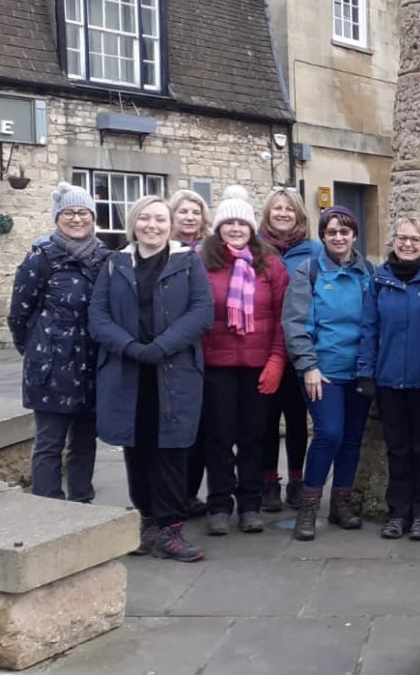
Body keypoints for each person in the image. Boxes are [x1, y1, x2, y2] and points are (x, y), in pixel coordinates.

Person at [89, 195, 213, 562]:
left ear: (171, 225)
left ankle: (171, 529)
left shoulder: (188, 262)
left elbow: (202, 311)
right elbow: (98, 316)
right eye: (145, 218)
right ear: (134, 223)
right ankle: (148, 523)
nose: (152, 226)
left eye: (160, 219)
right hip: (128, 371)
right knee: (137, 448)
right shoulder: (114, 264)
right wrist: (130, 346)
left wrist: (161, 346)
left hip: (174, 370)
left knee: (172, 450)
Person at [8, 182, 110, 502]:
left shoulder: (106, 261)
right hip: (50, 369)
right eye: (69, 212)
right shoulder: (41, 260)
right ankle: (48, 511)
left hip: (93, 367)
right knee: (49, 444)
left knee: (84, 443)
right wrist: (40, 352)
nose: (77, 219)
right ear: (57, 217)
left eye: (83, 212)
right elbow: (18, 316)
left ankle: (81, 505)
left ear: (93, 217)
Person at [282, 206, 375, 541]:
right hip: (323, 372)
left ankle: (342, 503)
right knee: (329, 434)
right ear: (322, 236)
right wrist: (308, 366)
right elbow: (295, 324)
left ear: (354, 235)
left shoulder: (368, 273)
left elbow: (374, 323)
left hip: (360, 371)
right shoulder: (309, 272)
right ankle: (309, 506)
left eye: (344, 231)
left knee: (352, 438)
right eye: (331, 232)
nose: (338, 237)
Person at [200, 193, 289, 536]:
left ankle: (250, 504)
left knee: (255, 437)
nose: (235, 229)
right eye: (228, 223)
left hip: (258, 364)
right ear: (219, 228)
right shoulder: (202, 262)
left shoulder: (271, 264)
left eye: (241, 223)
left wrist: (277, 360)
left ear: (251, 228)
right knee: (218, 438)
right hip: (216, 365)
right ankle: (219, 504)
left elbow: (284, 316)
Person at [357, 217, 420, 541]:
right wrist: (365, 372)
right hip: (388, 381)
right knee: (396, 450)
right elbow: (369, 329)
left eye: (414, 239)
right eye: (402, 238)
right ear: (393, 241)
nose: (407, 244)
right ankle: (398, 512)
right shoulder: (379, 280)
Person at [258, 186, 323, 512]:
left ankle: (297, 480)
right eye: (277, 208)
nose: (283, 213)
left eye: (289, 209)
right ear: (267, 213)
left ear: (299, 215)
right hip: (262, 349)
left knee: (298, 419)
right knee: (267, 421)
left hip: (300, 346)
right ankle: (269, 481)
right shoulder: (255, 249)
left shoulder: (313, 251)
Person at [169, 189, 212, 518]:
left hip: (211, 351)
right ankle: (173, 495)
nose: (189, 217)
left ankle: (191, 494)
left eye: (195, 212)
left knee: (202, 431)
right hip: (174, 353)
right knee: (175, 428)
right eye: (182, 211)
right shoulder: (164, 252)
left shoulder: (212, 252)